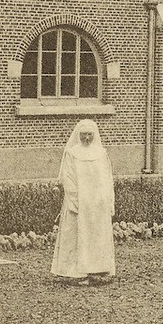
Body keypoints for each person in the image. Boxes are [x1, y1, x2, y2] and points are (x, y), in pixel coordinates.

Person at [51, 119, 116, 286]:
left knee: (97, 236)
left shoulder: (101, 153)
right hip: (80, 202)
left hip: (98, 203)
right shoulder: (72, 153)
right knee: (78, 235)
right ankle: (76, 272)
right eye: (83, 135)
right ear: (78, 135)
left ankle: (99, 270)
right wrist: (75, 200)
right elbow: (68, 177)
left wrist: (108, 200)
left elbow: (108, 178)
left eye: (90, 135)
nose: (87, 138)